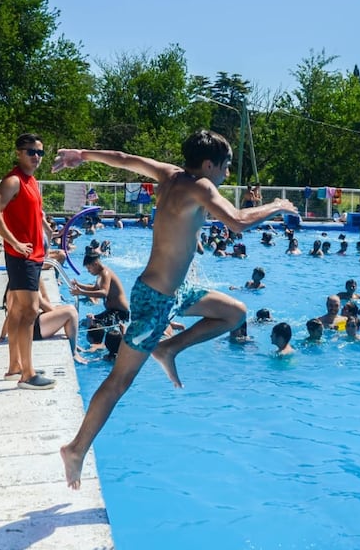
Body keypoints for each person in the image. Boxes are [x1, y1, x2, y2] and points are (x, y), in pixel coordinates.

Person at [54, 130, 298, 490]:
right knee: (119, 381)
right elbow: (237, 222)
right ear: (209, 164)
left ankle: (168, 349)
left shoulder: (168, 174)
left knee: (235, 313)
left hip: (176, 291)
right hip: (154, 301)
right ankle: (76, 449)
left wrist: (83, 154)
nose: (227, 174)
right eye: (226, 166)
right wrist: (276, 205)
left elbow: (125, 159)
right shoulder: (202, 187)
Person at [0, 132, 56, 390]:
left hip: (31, 254)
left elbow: (32, 212)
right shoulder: (13, 180)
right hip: (22, 256)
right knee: (29, 312)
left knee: (16, 311)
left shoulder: (31, 180)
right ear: (18, 153)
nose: (36, 156)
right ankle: (27, 374)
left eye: (40, 152)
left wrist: (45, 229)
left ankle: (15, 365)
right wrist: (14, 242)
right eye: (31, 151)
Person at [69, 252, 130, 345]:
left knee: (94, 328)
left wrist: (81, 292)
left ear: (95, 264)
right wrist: (79, 285)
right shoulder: (101, 274)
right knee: (84, 323)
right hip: (111, 311)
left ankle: (97, 347)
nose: (88, 271)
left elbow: (104, 293)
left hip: (119, 313)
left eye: (89, 268)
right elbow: (95, 288)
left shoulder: (105, 273)